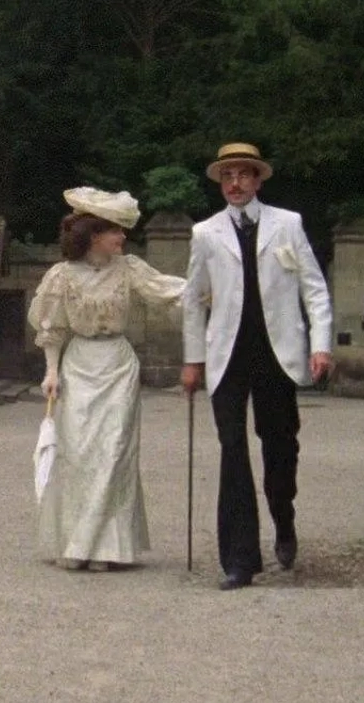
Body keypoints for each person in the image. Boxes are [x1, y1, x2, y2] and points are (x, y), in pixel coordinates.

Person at [180, 143, 334, 590]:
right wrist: (193, 360)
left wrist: (320, 345)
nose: (234, 184)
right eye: (227, 176)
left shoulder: (288, 224)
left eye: (243, 175)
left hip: (275, 352)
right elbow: (193, 301)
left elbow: (315, 289)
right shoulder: (205, 233)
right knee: (232, 449)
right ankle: (240, 559)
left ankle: (283, 519)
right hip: (227, 354)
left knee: (280, 447)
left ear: (258, 180)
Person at [30, 187, 185, 571]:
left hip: (117, 364)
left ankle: (107, 548)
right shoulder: (61, 276)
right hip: (79, 363)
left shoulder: (129, 269)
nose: (122, 237)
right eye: (115, 230)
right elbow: (52, 327)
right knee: (79, 454)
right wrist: (51, 370)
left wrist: (218, 289)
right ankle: (76, 542)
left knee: (114, 453)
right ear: (93, 234)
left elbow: (170, 292)